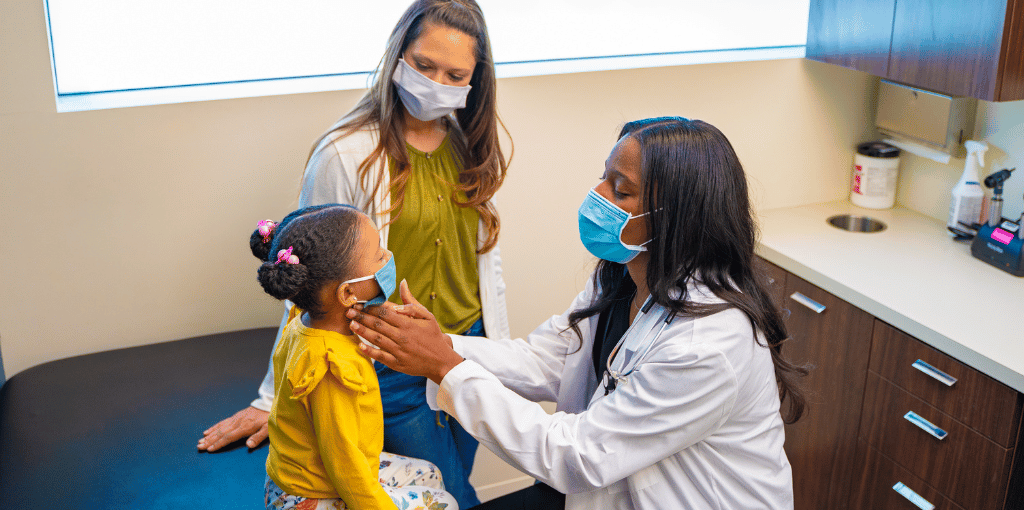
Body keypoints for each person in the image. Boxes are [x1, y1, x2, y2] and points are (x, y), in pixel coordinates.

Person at [347, 117, 808, 509]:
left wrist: (445, 366)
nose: (597, 194)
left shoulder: (705, 345)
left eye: (620, 189)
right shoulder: (623, 274)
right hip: (604, 486)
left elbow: (579, 456)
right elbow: (547, 360)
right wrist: (442, 345)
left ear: (675, 219)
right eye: (604, 175)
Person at [198, 1, 511, 507]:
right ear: (397, 57)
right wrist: (273, 401)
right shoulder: (346, 152)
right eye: (424, 65)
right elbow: (307, 275)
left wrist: (494, 353)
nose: (436, 82)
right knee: (454, 497)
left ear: (476, 79)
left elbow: (478, 264)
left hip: (463, 350)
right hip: (392, 361)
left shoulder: (468, 144)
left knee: (446, 487)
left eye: (455, 74)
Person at [252, 204, 458, 510]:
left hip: (313, 468)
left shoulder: (304, 318)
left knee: (431, 474)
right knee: (444, 504)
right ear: (348, 294)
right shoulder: (331, 370)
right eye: (378, 255)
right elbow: (346, 468)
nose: (387, 257)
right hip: (310, 493)